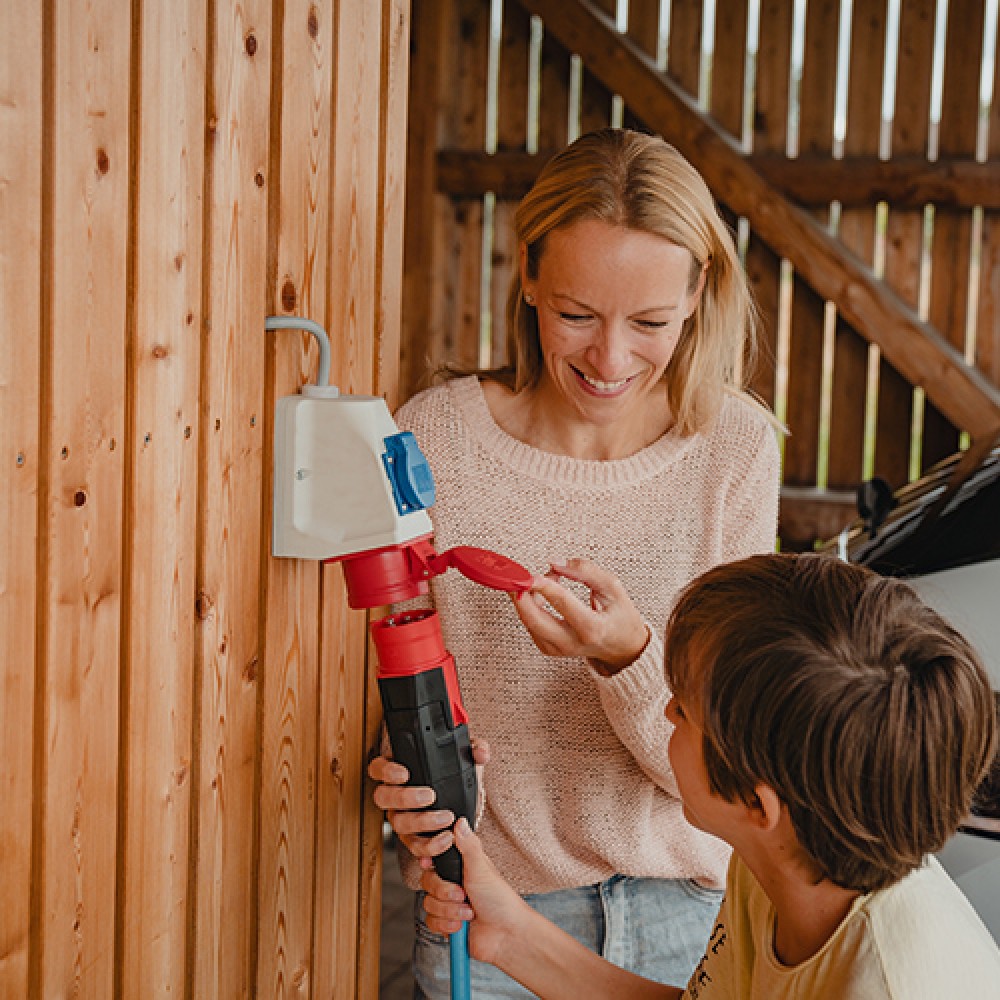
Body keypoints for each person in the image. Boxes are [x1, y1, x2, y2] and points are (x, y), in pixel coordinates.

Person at [369, 127, 782, 997]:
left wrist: (627, 658)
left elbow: (731, 755)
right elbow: (378, 679)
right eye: (576, 314)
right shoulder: (433, 436)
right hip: (487, 916)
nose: (609, 359)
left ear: (699, 291)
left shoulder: (733, 447)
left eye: (650, 323)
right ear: (526, 274)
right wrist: (401, 793)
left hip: (691, 913)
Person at [419, 552, 1000, 998]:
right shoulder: (784, 859)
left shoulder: (890, 984)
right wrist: (514, 934)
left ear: (757, 802)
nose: (667, 710)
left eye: (685, 709)